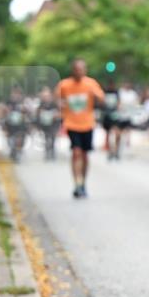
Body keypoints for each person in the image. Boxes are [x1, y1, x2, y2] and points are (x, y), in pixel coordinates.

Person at [56, 58, 105, 198]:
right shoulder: (64, 85)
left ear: (85, 70)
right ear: (73, 70)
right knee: (76, 152)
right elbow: (56, 98)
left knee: (84, 154)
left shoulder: (91, 83)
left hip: (88, 124)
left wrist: (96, 96)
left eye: (82, 69)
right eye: (77, 69)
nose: (79, 72)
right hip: (71, 123)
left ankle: (83, 183)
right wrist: (61, 105)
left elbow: (102, 99)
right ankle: (77, 184)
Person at [36, 86, 60, 161]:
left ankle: (52, 152)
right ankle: (47, 152)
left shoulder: (54, 104)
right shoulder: (41, 104)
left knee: (52, 137)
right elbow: (38, 113)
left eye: (47, 96)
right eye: (44, 96)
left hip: (53, 123)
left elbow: (59, 112)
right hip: (45, 124)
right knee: (46, 138)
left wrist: (55, 115)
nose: (46, 97)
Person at [102, 80, 121, 160]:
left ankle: (116, 150)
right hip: (107, 115)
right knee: (108, 135)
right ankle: (110, 151)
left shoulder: (116, 92)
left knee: (117, 133)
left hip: (115, 115)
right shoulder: (104, 92)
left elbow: (119, 103)